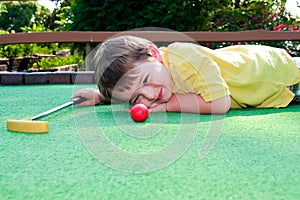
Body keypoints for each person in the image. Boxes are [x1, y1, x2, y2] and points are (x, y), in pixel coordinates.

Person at [72, 35, 300, 114]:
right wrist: (103, 97)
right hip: (270, 89)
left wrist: (169, 105)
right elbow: (134, 90)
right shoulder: (154, 76)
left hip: (281, 74)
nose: (150, 96)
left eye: (146, 81)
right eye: (136, 99)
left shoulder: (185, 57)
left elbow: (221, 104)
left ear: (154, 54)